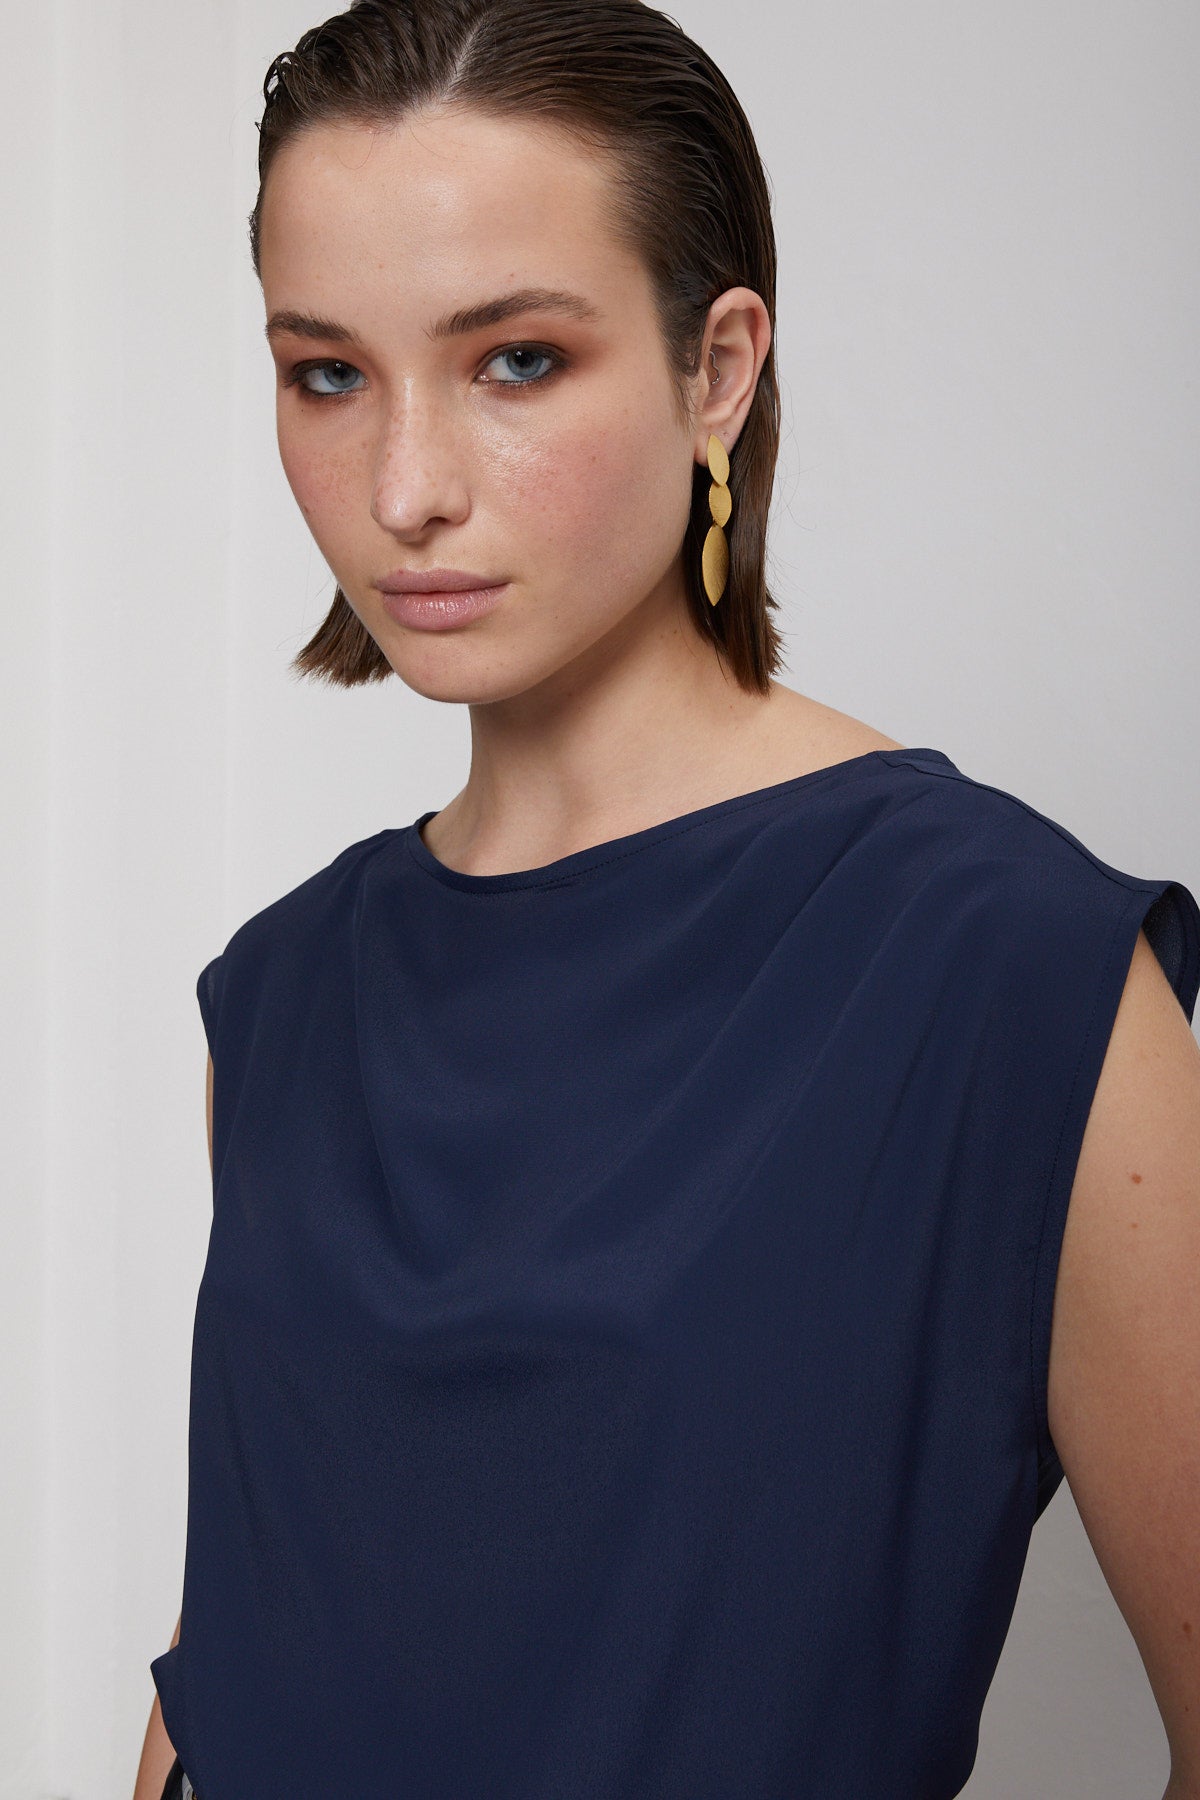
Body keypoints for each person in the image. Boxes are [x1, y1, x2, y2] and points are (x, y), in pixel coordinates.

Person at [133, 2, 1200, 1796]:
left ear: (718, 370)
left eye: (515, 360)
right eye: (327, 374)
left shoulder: (1011, 969)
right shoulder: (285, 990)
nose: (405, 488)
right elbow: (235, 1662)